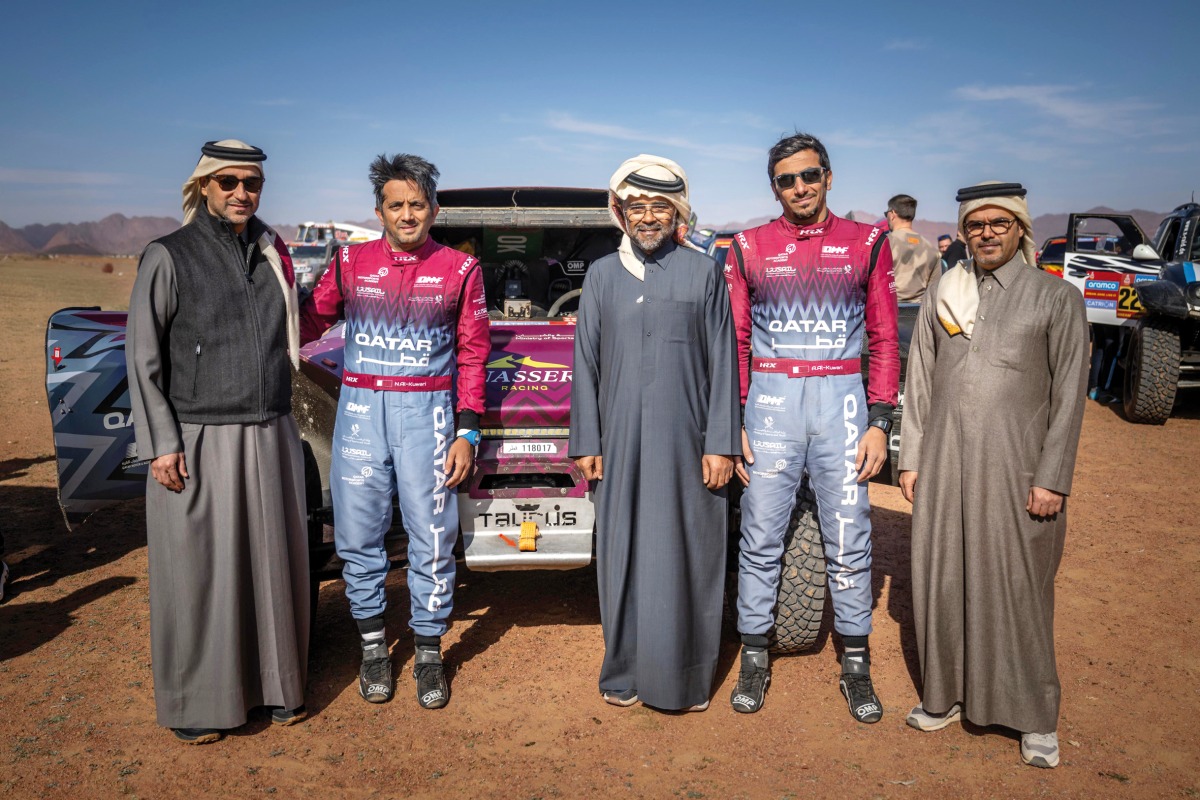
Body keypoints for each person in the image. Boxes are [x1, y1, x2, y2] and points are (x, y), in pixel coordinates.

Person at [898, 181, 1088, 769]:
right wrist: (911, 457)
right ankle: (945, 696)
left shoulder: (1055, 299)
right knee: (942, 577)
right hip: (946, 461)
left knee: (1019, 587)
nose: (986, 233)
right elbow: (921, 377)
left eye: (998, 224)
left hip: (1018, 467)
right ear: (963, 231)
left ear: (1019, 229)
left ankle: (1033, 716)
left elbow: (1071, 397)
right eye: (976, 224)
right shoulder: (944, 294)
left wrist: (1052, 477)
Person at [126, 139, 309, 745]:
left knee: (271, 567)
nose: (241, 193)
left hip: (271, 430)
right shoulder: (168, 255)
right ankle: (200, 704)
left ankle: (277, 690)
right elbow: (143, 359)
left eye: (251, 182)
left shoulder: (271, 254)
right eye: (227, 181)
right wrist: (161, 444)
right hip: (199, 437)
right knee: (199, 575)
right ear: (203, 185)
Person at [300, 154, 488, 710]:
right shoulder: (350, 262)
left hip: (428, 414)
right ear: (379, 210)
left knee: (433, 538)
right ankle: (374, 646)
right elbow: (305, 321)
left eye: (417, 204)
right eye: (395, 205)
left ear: (433, 208)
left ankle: (429, 651)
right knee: (358, 536)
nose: (407, 215)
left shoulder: (459, 269)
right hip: (361, 412)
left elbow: (475, 355)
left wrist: (467, 431)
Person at [724, 133, 899, 721]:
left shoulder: (868, 241)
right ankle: (754, 655)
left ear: (828, 176)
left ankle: (856, 664)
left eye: (809, 175)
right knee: (760, 534)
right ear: (773, 186)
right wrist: (734, 421)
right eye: (786, 180)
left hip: (842, 401)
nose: (799, 187)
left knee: (850, 533)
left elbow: (884, 337)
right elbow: (737, 342)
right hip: (771, 401)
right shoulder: (747, 245)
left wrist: (880, 422)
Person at [569, 154, 739, 712]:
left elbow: (724, 362)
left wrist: (721, 443)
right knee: (621, 552)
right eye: (637, 206)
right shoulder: (601, 275)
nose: (647, 217)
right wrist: (587, 441)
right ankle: (624, 672)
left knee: (687, 549)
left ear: (676, 213)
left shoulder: (704, 271)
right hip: (617, 442)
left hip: (688, 440)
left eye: (658, 207)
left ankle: (683, 680)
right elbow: (586, 362)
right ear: (621, 212)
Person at [884, 194, 940, 303]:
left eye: (886, 213)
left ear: (892, 214)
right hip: (919, 315)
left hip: (889, 312)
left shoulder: (884, 243)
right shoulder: (932, 250)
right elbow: (935, 291)